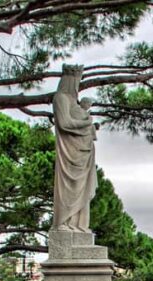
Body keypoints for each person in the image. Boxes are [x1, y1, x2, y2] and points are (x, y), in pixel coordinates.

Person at [52, 65, 97, 232]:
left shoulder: (74, 102)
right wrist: (87, 123)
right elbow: (64, 124)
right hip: (69, 151)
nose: (77, 85)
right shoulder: (61, 98)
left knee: (83, 187)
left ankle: (79, 224)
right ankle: (63, 222)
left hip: (83, 151)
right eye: (75, 80)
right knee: (68, 187)